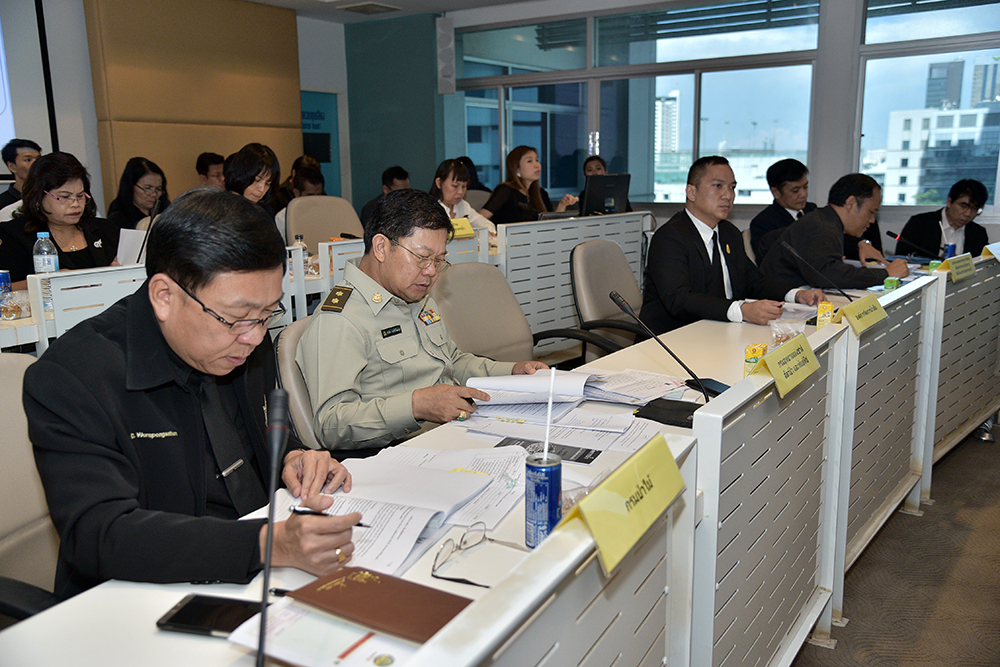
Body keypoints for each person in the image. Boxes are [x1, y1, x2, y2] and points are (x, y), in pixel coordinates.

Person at [24, 188, 360, 600]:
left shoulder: (241, 341)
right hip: (141, 593)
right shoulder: (74, 376)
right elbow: (100, 534)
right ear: (164, 297)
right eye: (237, 317)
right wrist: (266, 544)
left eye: (267, 313)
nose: (254, 337)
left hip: (261, 567)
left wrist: (292, 457)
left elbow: (256, 434)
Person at [296, 188, 547, 453]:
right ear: (381, 247)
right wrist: (415, 406)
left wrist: (512, 373)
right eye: (422, 258)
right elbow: (331, 425)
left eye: (439, 261)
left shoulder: (414, 294)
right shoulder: (341, 319)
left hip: (455, 432)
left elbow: (453, 362)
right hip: (402, 452)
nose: (431, 272)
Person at [638, 156, 824, 335]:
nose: (728, 195)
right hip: (674, 338)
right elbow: (679, 299)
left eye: (732, 187)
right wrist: (742, 310)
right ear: (691, 192)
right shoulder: (670, 237)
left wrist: (797, 295)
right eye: (718, 186)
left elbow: (754, 281)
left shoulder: (729, 233)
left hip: (722, 331)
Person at [760, 173, 910, 290]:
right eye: (871, 212)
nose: (871, 220)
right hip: (780, 301)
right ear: (851, 203)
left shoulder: (826, 220)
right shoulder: (822, 226)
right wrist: (886, 274)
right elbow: (828, 275)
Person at [0, 152, 120, 289]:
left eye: (80, 196)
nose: (75, 204)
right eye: (64, 197)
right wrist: (45, 281)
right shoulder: (13, 235)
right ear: (38, 197)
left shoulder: (105, 229)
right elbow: (3, 288)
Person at [750, 158, 886, 263]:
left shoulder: (813, 210)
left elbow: (837, 237)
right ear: (776, 192)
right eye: (795, 190)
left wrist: (860, 243)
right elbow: (770, 262)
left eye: (805, 187)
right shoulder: (763, 222)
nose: (803, 194)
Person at [479, 146, 578, 225]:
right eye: (529, 161)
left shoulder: (542, 194)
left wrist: (562, 205)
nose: (537, 165)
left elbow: (551, 225)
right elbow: (481, 219)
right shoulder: (505, 190)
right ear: (517, 169)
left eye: (537, 160)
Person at [895, 179, 990, 258]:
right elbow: (900, 258)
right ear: (949, 202)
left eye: (974, 209)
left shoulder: (978, 234)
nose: (968, 214)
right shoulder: (920, 224)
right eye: (963, 206)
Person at [428, 158, 496, 234]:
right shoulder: (430, 211)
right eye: (455, 186)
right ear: (439, 183)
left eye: (464, 186)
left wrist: (483, 233)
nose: (460, 192)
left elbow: (487, 224)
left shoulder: (462, 205)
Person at [106, 157, 170, 229]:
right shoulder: (118, 219)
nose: (154, 194)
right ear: (131, 187)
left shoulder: (166, 213)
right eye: (147, 188)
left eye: (158, 189)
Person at [274, 166, 326, 243]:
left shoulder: (328, 214)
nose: (315, 200)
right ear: (296, 193)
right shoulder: (283, 218)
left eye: (319, 195)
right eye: (310, 196)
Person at [225, 142, 280, 207]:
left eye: (267, 183)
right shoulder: (220, 207)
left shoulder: (265, 210)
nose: (262, 189)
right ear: (241, 174)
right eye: (257, 180)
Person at [0, 138, 42, 209]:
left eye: (38, 159)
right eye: (28, 160)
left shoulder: (49, 197)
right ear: (12, 167)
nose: (36, 163)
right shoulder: (3, 204)